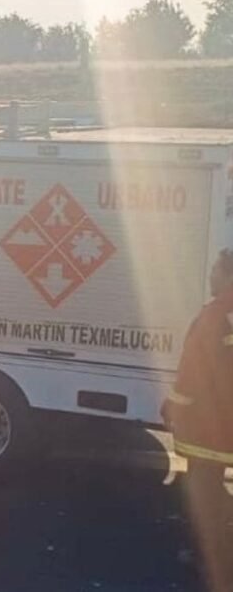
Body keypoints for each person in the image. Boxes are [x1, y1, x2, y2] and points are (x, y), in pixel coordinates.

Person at [162, 249, 233, 586]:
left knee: (204, 495)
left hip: (206, 426)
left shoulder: (216, 315)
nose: (211, 277)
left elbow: (193, 370)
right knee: (216, 487)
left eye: (216, 271)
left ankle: (212, 559)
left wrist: (172, 405)